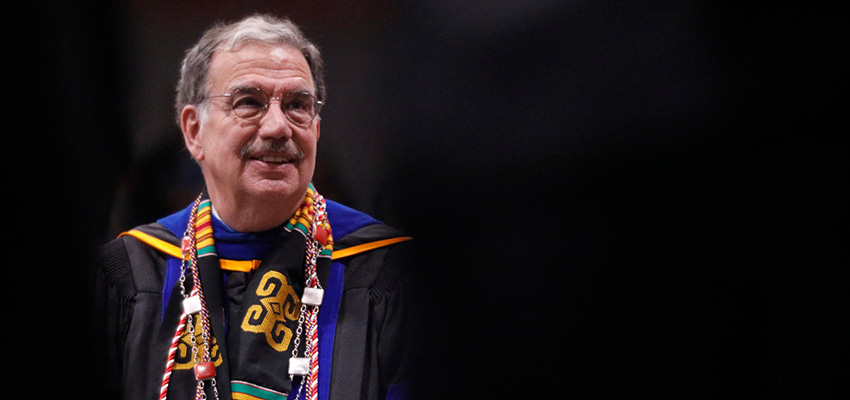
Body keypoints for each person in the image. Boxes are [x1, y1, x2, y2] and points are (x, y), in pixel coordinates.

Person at [93, 14, 414, 400]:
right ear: (194, 131)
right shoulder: (131, 273)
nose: (278, 127)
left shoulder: (386, 272)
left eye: (298, 104)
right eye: (249, 103)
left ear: (315, 127)